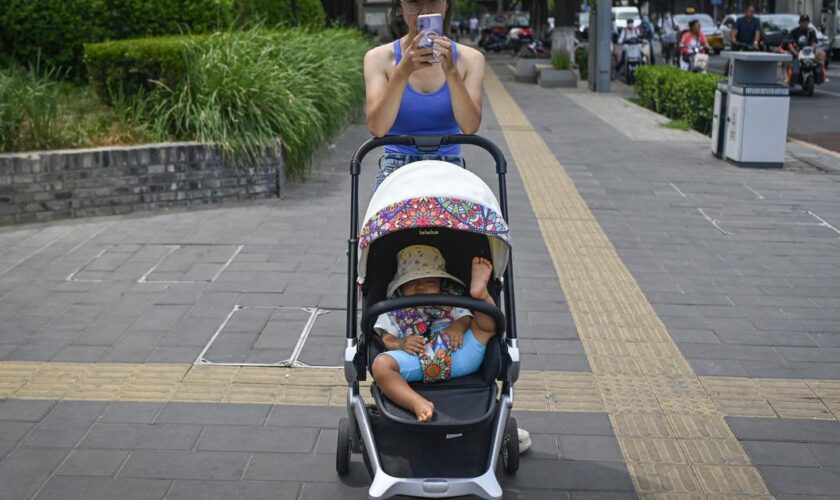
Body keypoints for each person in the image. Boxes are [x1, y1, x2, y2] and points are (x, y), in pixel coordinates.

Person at [364, 0, 485, 190]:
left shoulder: (470, 59)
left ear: (446, 4)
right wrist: (402, 72)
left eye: (433, 2)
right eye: (414, 2)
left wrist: (452, 73)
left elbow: (470, 127)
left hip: (449, 166)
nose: (424, 11)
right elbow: (378, 128)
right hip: (395, 168)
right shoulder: (378, 58)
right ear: (401, 6)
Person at [370, 245, 497, 422]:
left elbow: (467, 318)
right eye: (412, 282)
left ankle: (481, 295)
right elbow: (386, 338)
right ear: (400, 287)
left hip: (457, 353)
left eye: (430, 282)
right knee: (381, 366)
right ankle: (416, 402)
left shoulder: (450, 300)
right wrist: (401, 343)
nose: (421, 287)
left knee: (485, 327)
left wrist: (458, 327)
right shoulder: (392, 309)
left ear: (441, 284)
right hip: (416, 358)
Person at [782, 14, 828, 84]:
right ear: (799, 22)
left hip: (808, 52)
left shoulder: (811, 31)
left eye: (806, 22)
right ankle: (788, 76)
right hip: (796, 51)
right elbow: (789, 44)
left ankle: (822, 75)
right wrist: (795, 52)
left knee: (822, 53)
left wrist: (812, 49)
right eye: (803, 22)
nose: (805, 23)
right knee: (786, 56)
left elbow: (814, 42)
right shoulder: (794, 32)